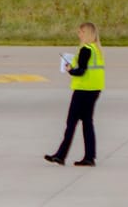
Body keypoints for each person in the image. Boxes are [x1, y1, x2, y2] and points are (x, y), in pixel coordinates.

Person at [44, 22, 104, 168]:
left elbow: (81, 71)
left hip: (83, 90)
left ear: (87, 33)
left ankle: (61, 155)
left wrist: (70, 69)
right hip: (94, 90)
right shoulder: (96, 49)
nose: (79, 34)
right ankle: (89, 157)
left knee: (71, 123)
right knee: (87, 123)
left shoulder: (85, 49)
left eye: (81, 31)